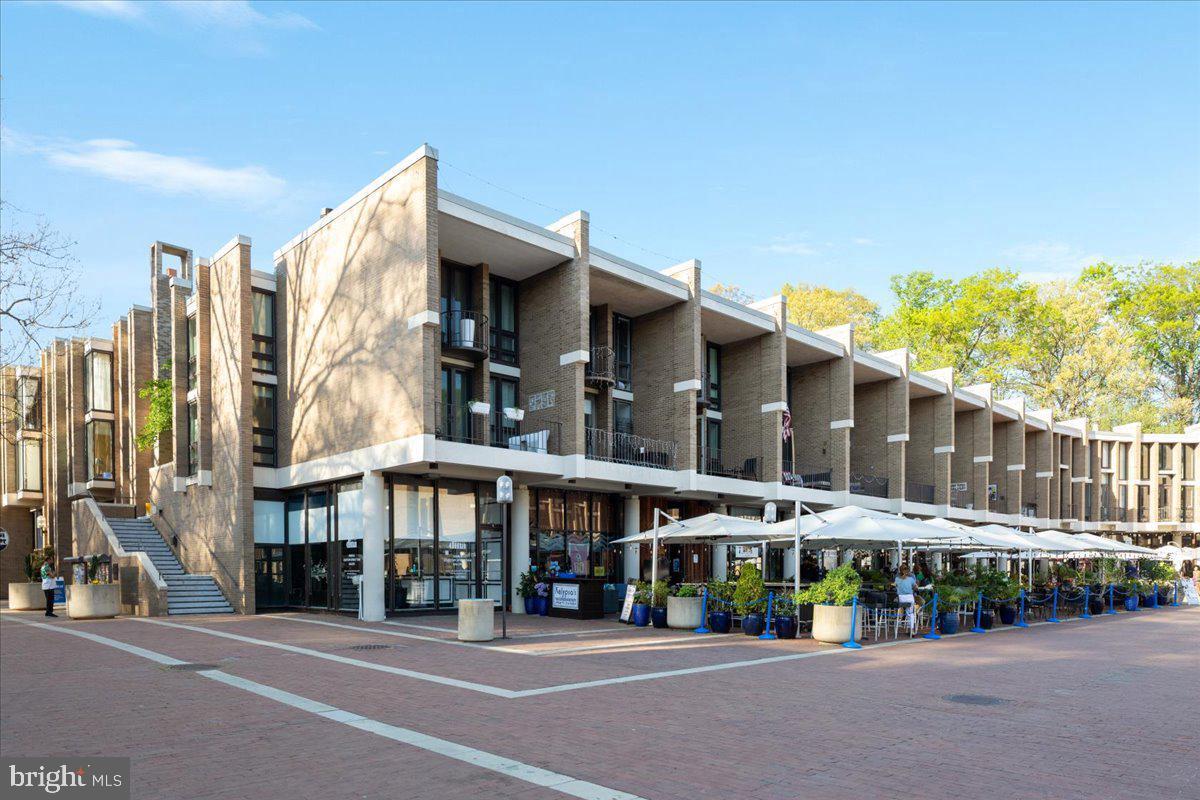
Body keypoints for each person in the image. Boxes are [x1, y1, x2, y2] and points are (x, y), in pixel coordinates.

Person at [894, 566, 920, 633]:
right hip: (909, 597)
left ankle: (899, 622)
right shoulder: (911, 579)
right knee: (910, 613)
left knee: (901, 609)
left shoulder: (897, 579)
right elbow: (916, 588)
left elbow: (895, 586)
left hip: (901, 598)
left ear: (900, 571)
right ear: (908, 572)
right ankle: (911, 629)